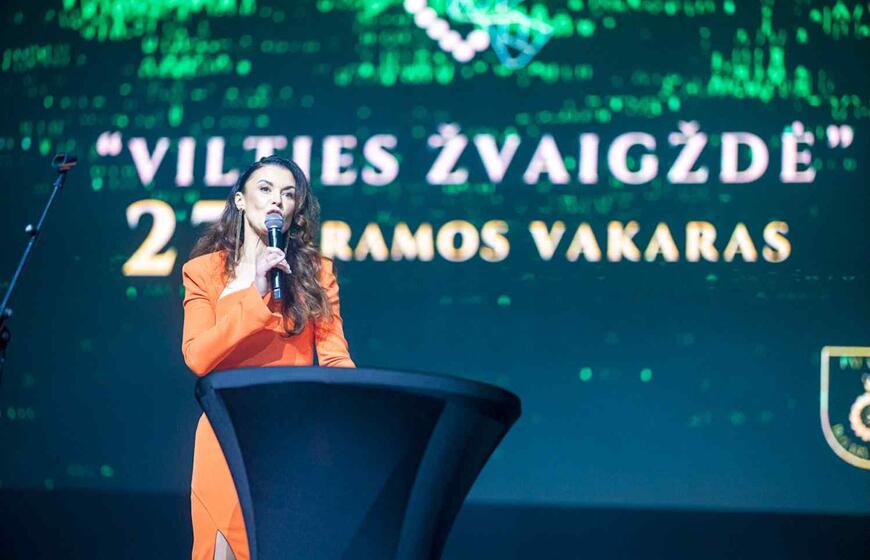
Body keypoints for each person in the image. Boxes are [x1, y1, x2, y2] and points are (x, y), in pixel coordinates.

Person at [181, 155, 355, 559]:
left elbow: (335, 358)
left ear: (295, 210)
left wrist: (355, 419)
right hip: (227, 436)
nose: (277, 200)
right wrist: (256, 292)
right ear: (240, 200)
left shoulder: (316, 272)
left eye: (288, 194)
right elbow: (198, 357)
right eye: (265, 189)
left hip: (292, 436)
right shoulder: (204, 272)